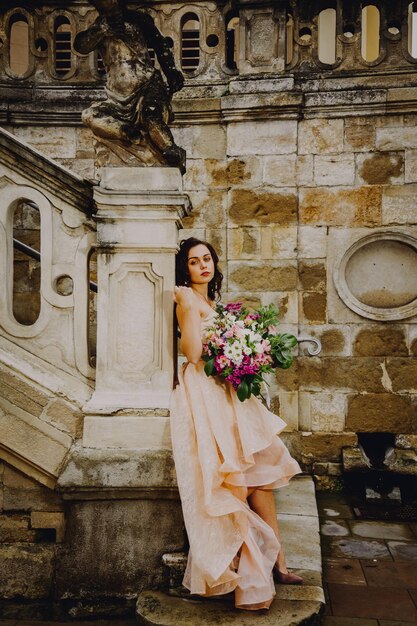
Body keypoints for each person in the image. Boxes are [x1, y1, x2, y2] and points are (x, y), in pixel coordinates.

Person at [170, 237, 303, 611]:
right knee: (238, 484)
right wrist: (187, 309)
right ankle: (250, 575)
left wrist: (245, 353)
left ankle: (280, 563)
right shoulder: (188, 302)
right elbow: (193, 354)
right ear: (186, 269)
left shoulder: (214, 303)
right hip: (206, 395)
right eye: (194, 262)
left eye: (207, 259)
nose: (203, 266)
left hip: (229, 393)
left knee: (261, 478)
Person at [74, 0, 186, 172]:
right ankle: (127, 132)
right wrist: (103, 30)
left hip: (147, 86)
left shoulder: (137, 19)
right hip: (116, 99)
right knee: (90, 115)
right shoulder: (99, 27)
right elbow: (80, 45)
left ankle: (170, 149)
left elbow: (159, 43)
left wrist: (171, 72)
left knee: (151, 116)